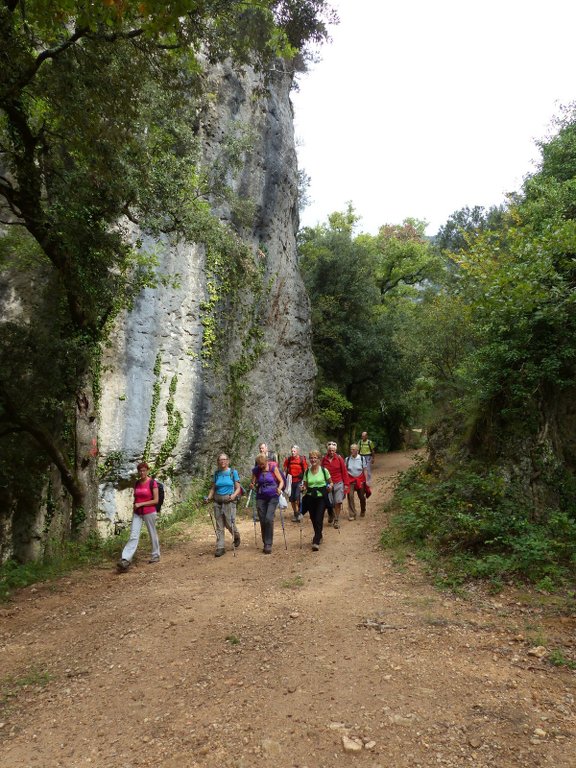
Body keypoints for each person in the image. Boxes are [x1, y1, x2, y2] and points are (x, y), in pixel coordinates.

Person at [117, 461, 160, 571]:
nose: (142, 473)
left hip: (149, 512)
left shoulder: (152, 483)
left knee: (152, 533)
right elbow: (136, 497)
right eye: (140, 471)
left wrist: (141, 504)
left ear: (147, 471)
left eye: (144, 470)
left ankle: (155, 555)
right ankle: (125, 559)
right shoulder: (136, 483)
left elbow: (156, 500)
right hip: (137, 513)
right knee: (133, 535)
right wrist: (135, 506)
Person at [205, 453, 242, 557]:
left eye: (224, 459)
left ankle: (236, 535)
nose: (222, 461)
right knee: (219, 525)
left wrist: (234, 495)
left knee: (229, 523)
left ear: (228, 461)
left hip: (229, 501)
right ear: (218, 462)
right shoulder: (216, 474)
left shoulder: (233, 472)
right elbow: (213, 488)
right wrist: (209, 497)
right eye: (220, 460)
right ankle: (220, 547)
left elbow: (238, 487)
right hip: (217, 501)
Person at [250, 452, 284, 553]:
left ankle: (268, 544)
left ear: (266, 461)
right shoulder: (256, 470)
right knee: (262, 519)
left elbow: (281, 481)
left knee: (269, 518)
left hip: (273, 496)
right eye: (259, 464)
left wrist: (279, 488)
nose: (261, 466)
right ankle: (265, 542)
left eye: (262, 464)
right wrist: (252, 485)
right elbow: (253, 482)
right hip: (260, 497)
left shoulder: (273, 468)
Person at [301, 450, 332, 551]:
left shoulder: (324, 471)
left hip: (321, 497)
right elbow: (305, 485)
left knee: (319, 518)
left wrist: (330, 487)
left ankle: (316, 540)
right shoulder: (307, 471)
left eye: (315, 458)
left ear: (319, 459)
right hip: (310, 497)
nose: (313, 460)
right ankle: (319, 535)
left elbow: (330, 483)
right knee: (313, 518)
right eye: (311, 458)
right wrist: (303, 488)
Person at [321, 441, 349, 529]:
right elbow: (321, 471)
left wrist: (346, 484)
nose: (331, 452)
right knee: (329, 502)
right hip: (328, 483)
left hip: (338, 482)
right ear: (327, 450)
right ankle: (331, 514)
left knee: (338, 501)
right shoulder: (324, 460)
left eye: (333, 450)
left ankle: (336, 519)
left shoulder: (339, 459)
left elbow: (344, 471)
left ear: (335, 451)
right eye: (330, 450)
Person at [283, 445, 308, 522]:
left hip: (299, 481)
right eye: (292, 451)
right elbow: (285, 469)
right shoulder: (289, 459)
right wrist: (284, 479)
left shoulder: (301, 460)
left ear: (297, 451)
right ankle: (296, 513)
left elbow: (306, 471)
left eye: (294, 451)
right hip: (290, 481)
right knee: (292, 499)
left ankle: (299, 512)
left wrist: (305, 483)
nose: (293, 452)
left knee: (297, 498)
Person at [345, 444, 367, 520]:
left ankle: (363, 509)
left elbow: (365, 469)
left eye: (354, 449)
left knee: (361, 497)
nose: (352, 451)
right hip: (350, 480)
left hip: (360, 480)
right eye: (351, 449)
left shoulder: (362, 458)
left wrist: (366, 480)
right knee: (350, 496)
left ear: (358, 450)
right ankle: (352, 514)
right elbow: (345, 471)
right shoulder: (347, 459)